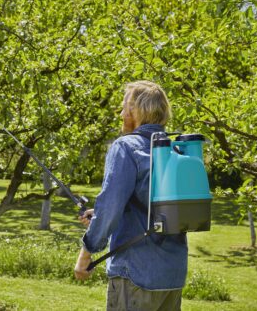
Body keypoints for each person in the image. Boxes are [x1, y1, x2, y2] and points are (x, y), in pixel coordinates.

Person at [74, 81, 187, 311]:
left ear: (136, 110)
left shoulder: (126, 147)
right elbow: (156, 207)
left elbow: (110, 208)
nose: (121, 113)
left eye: (125, 106)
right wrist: (102, 214)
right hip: (172, 277)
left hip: (136, 274)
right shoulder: (174, 151)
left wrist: (86, 255)